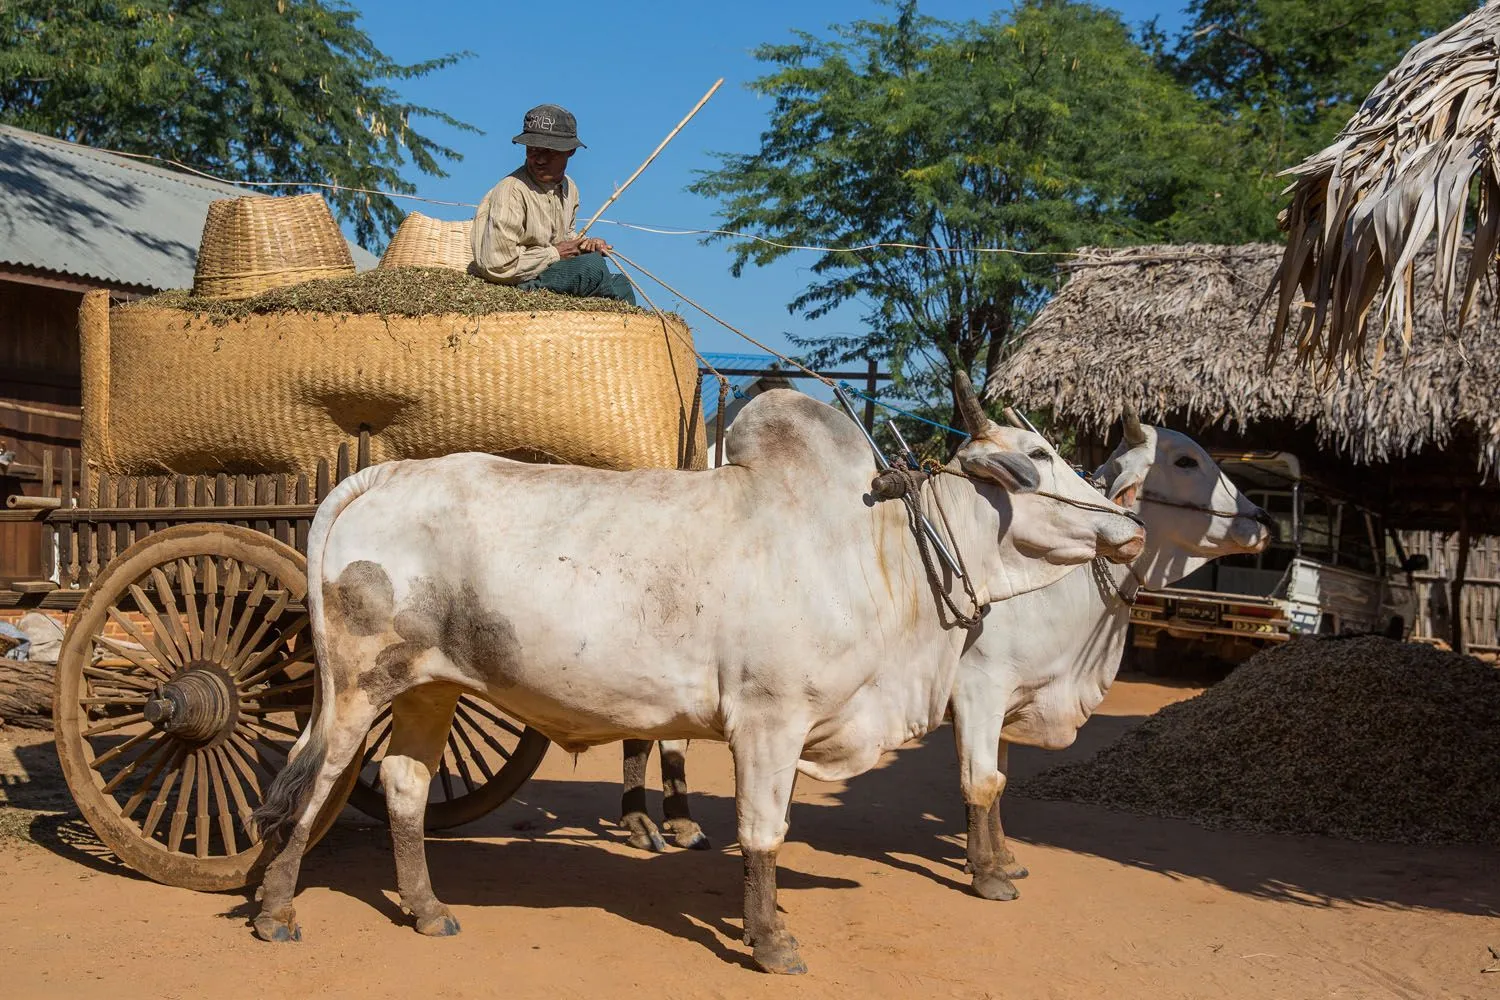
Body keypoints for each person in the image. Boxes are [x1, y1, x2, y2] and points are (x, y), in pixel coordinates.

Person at [470, 104, 636, 304]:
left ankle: (613, 327)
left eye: (549, 151)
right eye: (532, 150)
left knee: (621, 284)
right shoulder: (512, 190)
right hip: (515, 282)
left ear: (570, 151)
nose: (539, 159)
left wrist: (585, 245)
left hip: (551, 271)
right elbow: (497, 265)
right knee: (591, 268)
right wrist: (555, 253)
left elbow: (564, 237)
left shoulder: (569, 188)